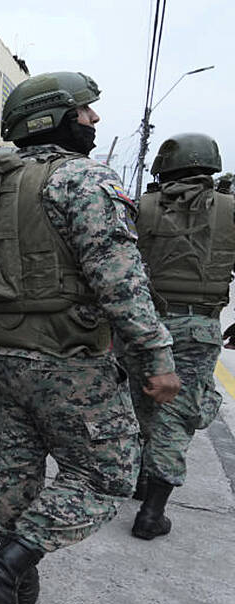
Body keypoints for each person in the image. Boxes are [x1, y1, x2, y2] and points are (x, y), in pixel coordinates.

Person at [0, 71, 181, 604]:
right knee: (109, 473)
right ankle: (4, 571)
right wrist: (154, 356)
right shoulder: (81, 180)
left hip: (1, 355)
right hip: (66, 359)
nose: (94, 120)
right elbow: (120, 280)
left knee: (16, 474)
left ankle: (6, 601)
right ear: (52, 118)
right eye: (85, 111)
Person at [125, 133, 231, 541]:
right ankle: (152, 513)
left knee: (141, 404)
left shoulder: (143, 207)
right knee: (178, 414)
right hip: (199, 328)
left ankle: (137, 482)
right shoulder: (231, 209)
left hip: (143, 324)